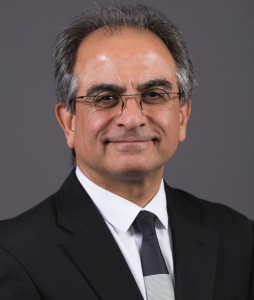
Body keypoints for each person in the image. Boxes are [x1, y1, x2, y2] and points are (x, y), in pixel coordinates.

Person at [0, 3, 253, 300]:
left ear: (182, 116)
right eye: (106, 97)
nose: (132, 119)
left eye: (154, 95)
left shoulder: (239, 239)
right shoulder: (11, 254)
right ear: (68, 122)